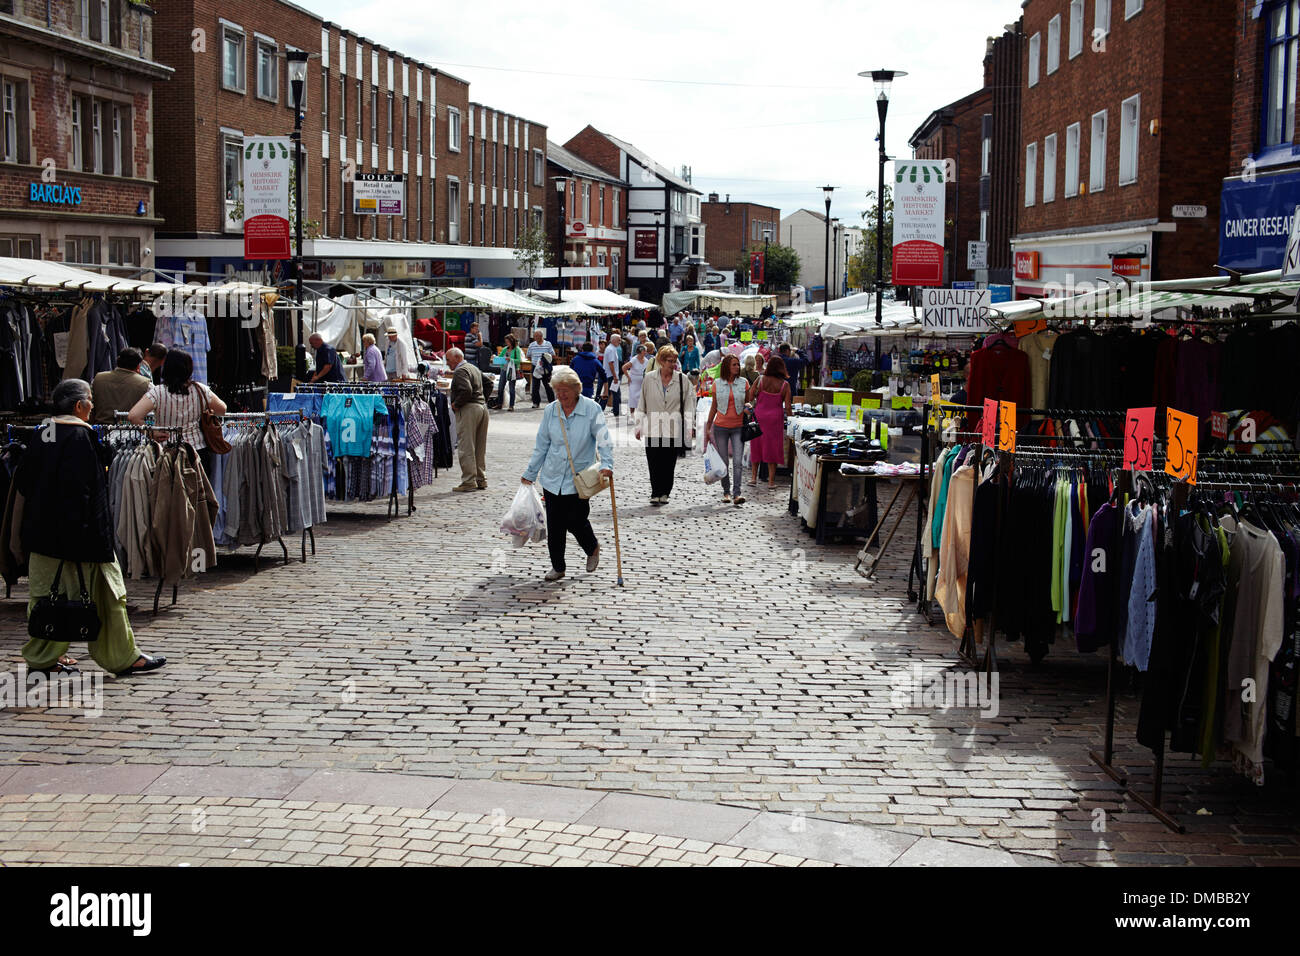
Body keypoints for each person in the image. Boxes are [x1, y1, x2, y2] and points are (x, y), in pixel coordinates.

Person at [17, 379, 166, 677]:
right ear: (78, 406)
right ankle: (122, 656)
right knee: (110, 595)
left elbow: (24, 482)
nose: (93, 407)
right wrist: (82, 538)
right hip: (82, 538)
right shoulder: (79, 436)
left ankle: (42, 657)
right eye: (90, 401)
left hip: (42, 534)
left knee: (46, 597)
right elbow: (80, 492)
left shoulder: (43, 432)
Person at [522, 366, 613, 582]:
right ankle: (558, 566)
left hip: (579, 477)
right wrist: (530, 472)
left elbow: (604, 440)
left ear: (576, 389)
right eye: (557, 390)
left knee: (576, 519)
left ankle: (592, 547)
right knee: (555, 524)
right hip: (552, 476)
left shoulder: (592, 409)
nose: (561, 395)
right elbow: (542, 444)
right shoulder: (551, 410)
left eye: (565, 390)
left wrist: (606, 464)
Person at [127, 350, 227, 477]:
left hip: (166, 451)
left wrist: (152, 432)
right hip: (196, 451)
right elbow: (222, 409)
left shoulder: (157, 392)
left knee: (169, 493)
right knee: (197, 493)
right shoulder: (200, 389)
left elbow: (133, 416)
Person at [636, 345, 696, 506]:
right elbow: (642, 401)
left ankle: (665, 492)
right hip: (652, 425)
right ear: (661, 361)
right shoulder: (649, 378)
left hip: (673, 427)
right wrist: (638, 425)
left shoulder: (682, 379)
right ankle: (655, 492)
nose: (673, 364)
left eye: (675, 361)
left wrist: (690, 425)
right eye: (669, 361)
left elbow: (689, 403)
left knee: (668, 463)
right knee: (654, 461)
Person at [704, 354, 750, 505]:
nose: (737, 367)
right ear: (727, 367)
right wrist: (708, 427)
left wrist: (749, 408)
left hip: (738, 427)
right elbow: (714, 407)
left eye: (738, 364)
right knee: (724, 462)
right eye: (734, 365)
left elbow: (748, 403)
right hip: (721, 427)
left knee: (737, 461)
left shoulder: (744, 383)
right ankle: (726, 492)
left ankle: (737, 494)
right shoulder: (717, 384)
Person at [446, 347, 488, 491]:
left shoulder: (460, 370)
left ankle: (469, 481)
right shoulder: (473, 368)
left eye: (448, 360)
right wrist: (482, 399)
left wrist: (456, 404)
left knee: (466, 446)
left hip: (469, 409)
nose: (447, 364)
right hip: (481, 408)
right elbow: (488, 383)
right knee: (479, 447)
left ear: (457, 358)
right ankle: (481, 479)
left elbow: (466, 390)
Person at [750, 354, 792, 489]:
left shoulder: (760, 379)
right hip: (775, 418)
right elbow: (788, 407)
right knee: (772, 447)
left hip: (759, 416)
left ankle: (753, 478)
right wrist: (791, 420)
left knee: (756, 445)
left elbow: (750, 396)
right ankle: (771, 482)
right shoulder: (785, 385)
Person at [91, 348, 151, 424]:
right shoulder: (146, 384)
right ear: (138, 367)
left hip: (100, 431)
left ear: (118, 361)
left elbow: (90, 406)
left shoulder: (98, 379)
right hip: (131, 433)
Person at [527, 329, 555, 408]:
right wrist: (535, 362)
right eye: (534, 336)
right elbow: (528, 355)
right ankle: (536, 403)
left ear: (541, 336)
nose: (535, 338)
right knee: (535, 386)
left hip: (545, 368)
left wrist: (545, 361)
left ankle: (552, 402)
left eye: (537, 336)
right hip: (535, 367)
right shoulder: (532, 345)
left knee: (548, 385)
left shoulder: (548, 344)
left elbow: (552, 355)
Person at [497, 334, 524, 411]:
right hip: (504, 369)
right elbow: (500, 357)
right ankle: (499, 404)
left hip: (512, 371)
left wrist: (511, 359)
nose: (507, 343)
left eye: (508, 342)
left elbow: (519, 360)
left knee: (511, 388)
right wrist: (495, 358)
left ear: (512, 341)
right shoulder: (505, 349)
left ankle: (511, 405)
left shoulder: (516, 350)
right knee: (500, 387)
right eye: (506, 342)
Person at [624, 343, 649, 415]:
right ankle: (632, 414)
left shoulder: (646, 360)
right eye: (644, 351)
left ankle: (642, 413)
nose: (645, 352)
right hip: (634, 381)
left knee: (643, 397)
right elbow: (624, 368)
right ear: (640, 352)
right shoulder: (634, 360)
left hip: (643, 381)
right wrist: (628, 377)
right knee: (633, 397)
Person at [602, 333, 623, 417]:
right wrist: (615, 376)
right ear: (613, 340)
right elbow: (611, 363)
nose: (620, 342)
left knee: (611, 393)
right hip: (611, 375)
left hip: (610, 374)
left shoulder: (611, 348)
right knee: (615, 394)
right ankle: (616, 411)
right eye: (619, 340)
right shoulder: (611, 349)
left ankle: (612, 410)